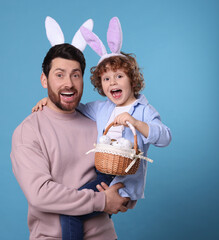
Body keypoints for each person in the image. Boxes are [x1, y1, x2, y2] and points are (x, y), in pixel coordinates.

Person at [32, 17, 172, 240]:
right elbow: (72, 104)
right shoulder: (102, 109)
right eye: (106, 78)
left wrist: (136, 124)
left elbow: (165, 137)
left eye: (119, 76)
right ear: (101, 85)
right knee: (79, 213)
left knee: (71, 213)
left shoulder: (143, 110)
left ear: (133, 81)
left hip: (122, 179)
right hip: (103, 171)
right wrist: (47, 102)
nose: (112, 82)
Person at [11, 43, 132, 240]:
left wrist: (124, 196)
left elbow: (122, 176)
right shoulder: (29, 131)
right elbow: (40, 194)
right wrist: (101, 201)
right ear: (44, 80)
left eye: (75, 75)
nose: (69, 83)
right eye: (59, 75)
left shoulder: (99, 124)